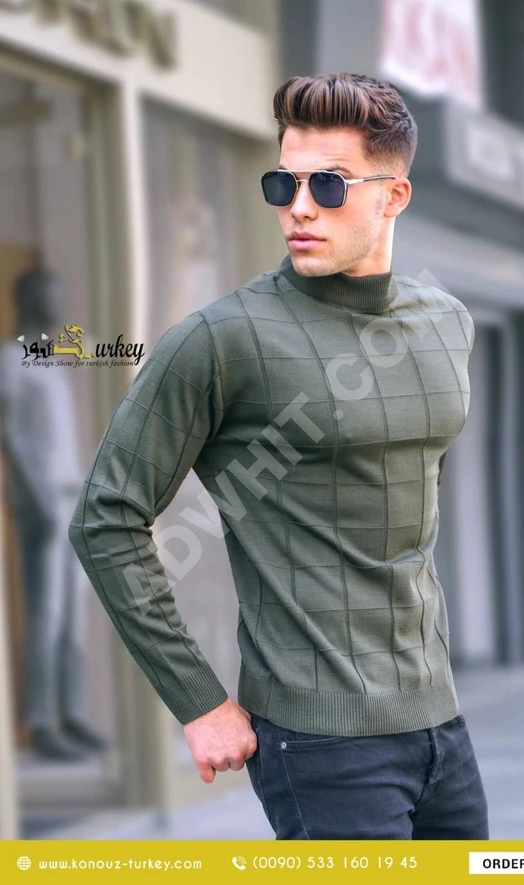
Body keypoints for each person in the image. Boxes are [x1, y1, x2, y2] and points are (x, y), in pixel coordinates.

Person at [68, 72, 489, 839]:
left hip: (440, 727)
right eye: (282, 183)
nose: (298, 206)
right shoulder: (220, 340)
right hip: (319, 743)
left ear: (393, 196)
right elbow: (105, 519)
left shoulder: (447, 324)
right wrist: (198, 699)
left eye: (327, 184)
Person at [0, 268, 109, 760]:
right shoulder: (11, 361)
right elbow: (10, 434)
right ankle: (42, 721)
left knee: (71, 615)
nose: (58, 305)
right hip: (41, 502)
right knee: (45, 613)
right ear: (27, 299)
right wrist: (37, 495)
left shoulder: (47, 358)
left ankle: (73, 714)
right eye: (50, 296)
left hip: (69, 495)